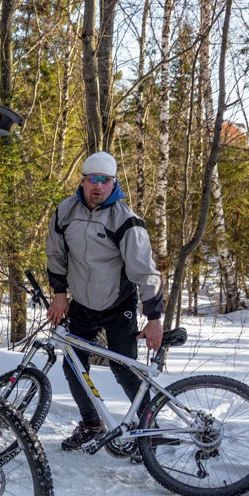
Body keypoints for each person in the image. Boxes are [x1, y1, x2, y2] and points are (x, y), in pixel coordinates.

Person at [45, 151, 164, 452]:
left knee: (124, 369)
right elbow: (56, 255)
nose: (98, 186)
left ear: (114, 184)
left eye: (105, 180)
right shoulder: (65, 212)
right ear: (83, 181)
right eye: (92, 179)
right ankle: (91, 425)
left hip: (117, 305)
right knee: (73, 367)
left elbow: (145, 271)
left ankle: (149, 430)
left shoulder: (126, 220)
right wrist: (59, 293)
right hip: (81, 304)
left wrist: (153, 318)